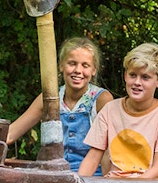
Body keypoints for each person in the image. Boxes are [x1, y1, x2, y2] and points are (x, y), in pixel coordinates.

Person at [6, 37, 113, 172]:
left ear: (94, 70)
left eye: (85, 65)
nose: (78, 70)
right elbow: (11, 134)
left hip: (91, 178)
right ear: (61, 65)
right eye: (72, 63)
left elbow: (111, 149)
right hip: (54, 174)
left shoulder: (101, 99)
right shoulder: (50, 98)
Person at [77, 43, 158, 178]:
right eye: (133, 75)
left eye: (145, 77)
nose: (137, 82)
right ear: (125, 76)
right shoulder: (110, 110)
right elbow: (93, 158)